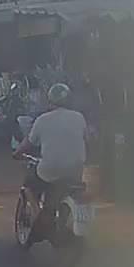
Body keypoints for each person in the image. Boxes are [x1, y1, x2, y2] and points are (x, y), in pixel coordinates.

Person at [13, 83, 87, 231]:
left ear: (49, 100)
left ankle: (40, 217)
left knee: (28, 186)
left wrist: (17, 153)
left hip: (50, 170)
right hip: (76, 170)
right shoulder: (79, 118)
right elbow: (87, 139)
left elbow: (28, 143)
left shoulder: (42, 120)